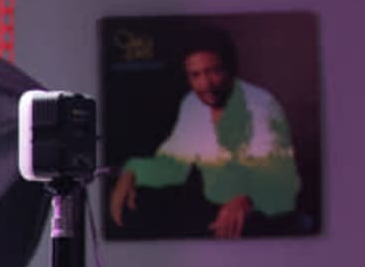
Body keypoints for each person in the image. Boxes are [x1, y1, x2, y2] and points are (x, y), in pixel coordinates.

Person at [111, 27, 301, 238]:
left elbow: (281, 179)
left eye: (214, 71)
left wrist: (247, 199)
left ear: (231, 69)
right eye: (196, 75)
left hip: (267, 218)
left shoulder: (262, 105)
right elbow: (173, 165)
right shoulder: (192, 104)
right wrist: (133, 170)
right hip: (216, 216)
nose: (206, 84)